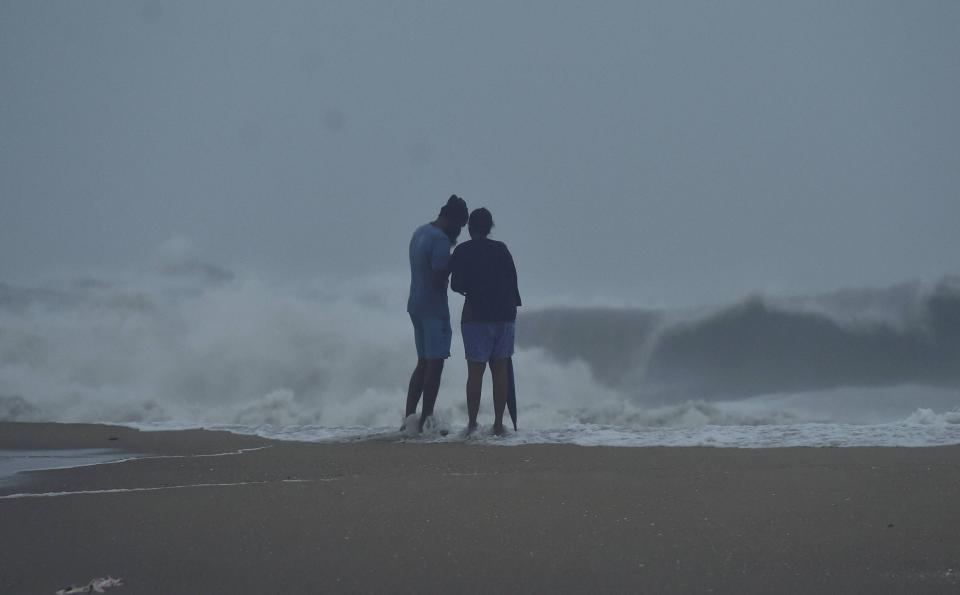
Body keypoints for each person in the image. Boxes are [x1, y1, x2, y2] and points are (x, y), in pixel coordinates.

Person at [449, 208, 521, 435]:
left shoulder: (462, 250)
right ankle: (499, 424)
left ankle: (472, 424)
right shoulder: (501, 249)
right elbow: (512, 281)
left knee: (476, 371)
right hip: (504, 315)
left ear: (470, 228)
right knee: (500, 369)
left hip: (475, 316)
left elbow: (455, 284)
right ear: (490, 228)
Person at [405, 195, 469, 432]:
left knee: (422, 362)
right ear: (452, 220)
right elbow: (439, 275)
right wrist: (457, 266)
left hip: (415, 304)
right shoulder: (441, 240)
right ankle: (426, 420)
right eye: (460, 227)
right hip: (433, 307)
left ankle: (410, 417)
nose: (459, 233)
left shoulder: (419, 232)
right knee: (435, 364)